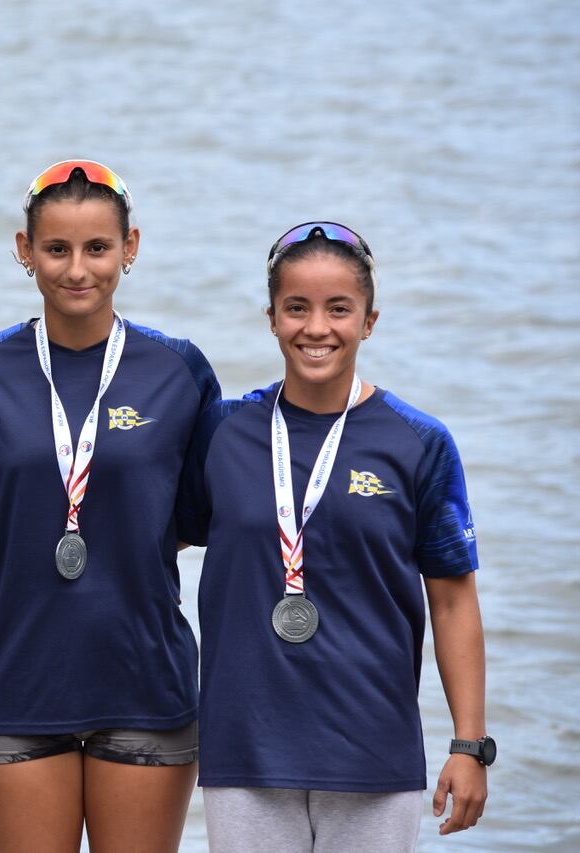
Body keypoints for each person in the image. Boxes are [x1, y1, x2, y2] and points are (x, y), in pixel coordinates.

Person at [0, 161, 220, 853]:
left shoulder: (179, 369)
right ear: (25, 250)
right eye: (57, 248)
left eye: (98, 248)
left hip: (145, 680)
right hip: (18, 677)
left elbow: (196, 518)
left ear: (130, 247)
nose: (77, 269)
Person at [179, 222, 490, 852]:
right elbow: (152, 535)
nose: (316, 328)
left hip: (372, 752)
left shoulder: (418, 442)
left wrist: (469, 745)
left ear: (369, 321)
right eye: (297, 307)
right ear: (271, 318)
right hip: (245, 750)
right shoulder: (222, 431)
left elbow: (453, 600)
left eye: (339, 309)